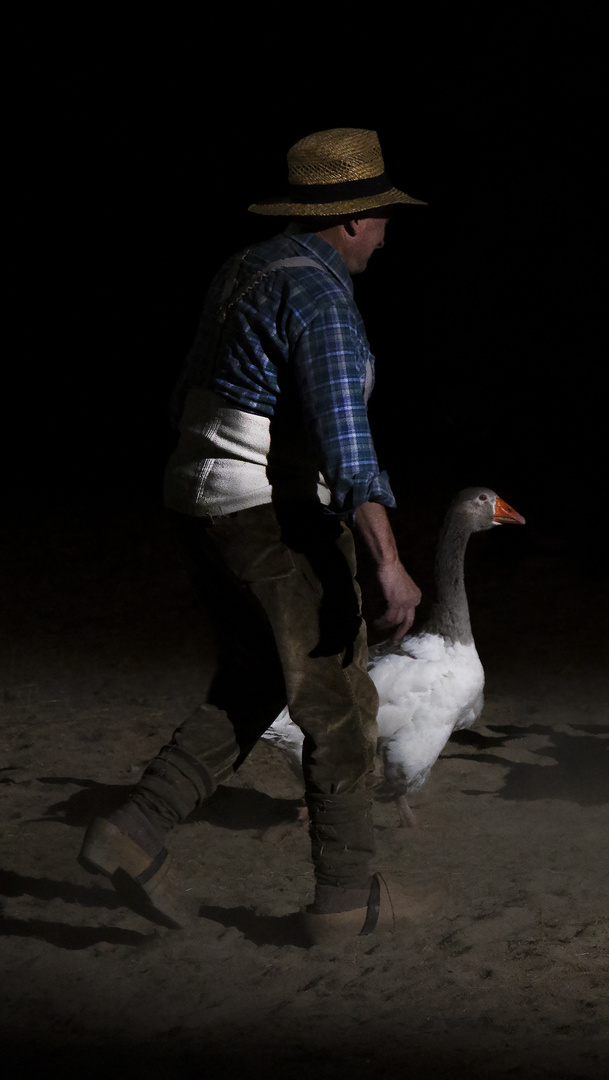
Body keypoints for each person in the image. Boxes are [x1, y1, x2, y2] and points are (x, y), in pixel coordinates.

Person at [79, 128, 427, 944]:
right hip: (261, 513)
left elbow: (182, 403)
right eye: (381, 215)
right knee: (337, 700)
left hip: (197, 500)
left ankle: (133, 830)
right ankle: (344, 900)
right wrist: (388, 562)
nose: (386, 230)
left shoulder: (245, 268)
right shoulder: (322, 297)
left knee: (253, 680)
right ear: (349, 219)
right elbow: (349, 449)